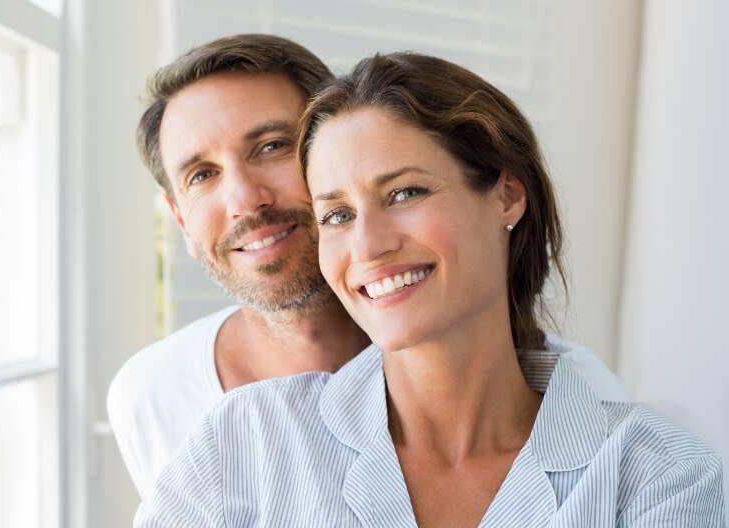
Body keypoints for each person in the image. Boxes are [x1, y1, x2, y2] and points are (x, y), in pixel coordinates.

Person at [129, 52, 729, 528]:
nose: (368, 244)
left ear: (507, 196)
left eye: (405, 192)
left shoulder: (660, 478)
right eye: (337, 214)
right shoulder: (240, 441)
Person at [108, 35, 625, 502]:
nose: (245, 199)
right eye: (201, 175)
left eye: (271, 147)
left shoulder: (582, 407)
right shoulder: (152, 396)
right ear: (179, 218)